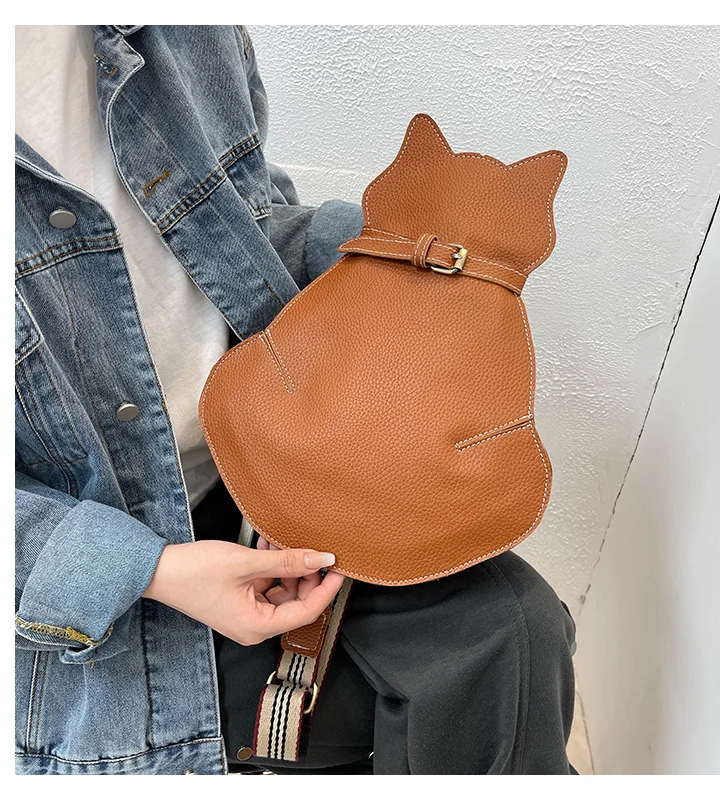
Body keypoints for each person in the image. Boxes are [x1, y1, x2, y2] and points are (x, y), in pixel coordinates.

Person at [15, 25, 578, 775]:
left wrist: (394, 257)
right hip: (77, 589)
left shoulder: (183, 29)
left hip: (260, 473)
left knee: (516, 629)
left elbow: (243, 229)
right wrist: (156, 571)